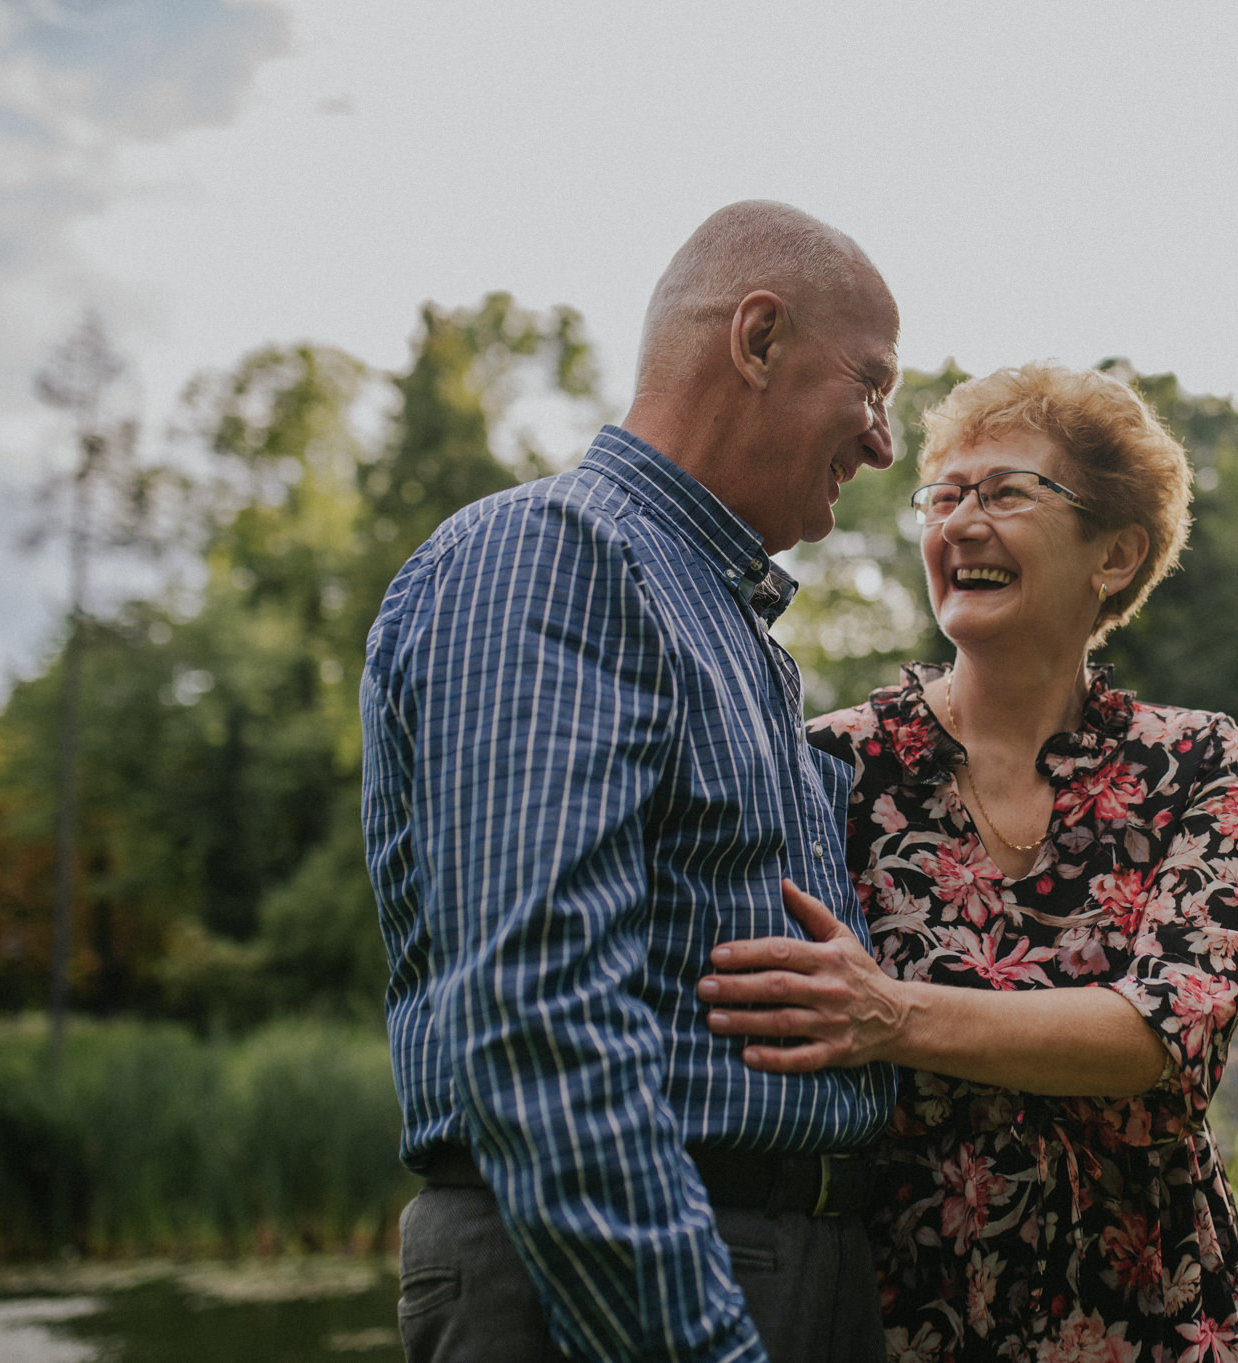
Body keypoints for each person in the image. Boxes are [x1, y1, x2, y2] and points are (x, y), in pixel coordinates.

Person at [361, 201, 905, 1363]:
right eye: (871, 387)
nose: (882, 444)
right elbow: (537, 1015)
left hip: (767, 1264)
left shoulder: (724, 621)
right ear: (756, 342)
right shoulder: (556, 554)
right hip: (626, 1290)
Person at [699, 362, 1238, 1363]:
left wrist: (891, 1015)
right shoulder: (830, 762)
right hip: (909, 1317)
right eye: (943, 496)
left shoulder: (1193, 758)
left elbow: (1165, 1027)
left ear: (1114, 552)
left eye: (1004, 492)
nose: (959, 523)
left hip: (1156, 1317)